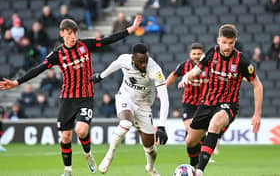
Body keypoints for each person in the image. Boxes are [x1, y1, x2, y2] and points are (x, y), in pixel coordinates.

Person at [0, 16, 142, 176]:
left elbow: (108, 40)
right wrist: (17, 82)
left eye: (74, 32)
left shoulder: (85, 45)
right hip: (67, 98)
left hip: (85, 97)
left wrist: (131, 28)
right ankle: (68, 171)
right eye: (69, 33)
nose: (73, 36)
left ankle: (87, 154)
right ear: (62, 34)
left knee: (81, 130)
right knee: (66, 137)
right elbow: (39, 69)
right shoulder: (57, 54)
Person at [178, 24, 263, 176]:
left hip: (228, 105)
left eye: (231, 43)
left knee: (216, 122)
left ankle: (199, 171)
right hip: (207, 103)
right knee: (190, 141)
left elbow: (257, 85)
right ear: (218, 40)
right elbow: (197, 70)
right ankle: (193, 167)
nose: (227, 46)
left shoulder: (241, 61)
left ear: (235, 42)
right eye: (224, 42)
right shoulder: (212, 53)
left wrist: (257, 113)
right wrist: (187, 76)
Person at [90, 43, 169, 175]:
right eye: (140, 62)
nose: (144, 64)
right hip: (125, 97)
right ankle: (109, 155)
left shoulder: (155, 70)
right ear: (133, 59)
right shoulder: (124, 60)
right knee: (125, 123)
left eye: (146, 61)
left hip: (144, 105)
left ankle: (150, 167)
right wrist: (101, 76)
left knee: (150, 149)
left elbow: (165, 99)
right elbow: (115, 64)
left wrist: (161, 126)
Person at [166, 43, 218, 165]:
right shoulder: (185, 66)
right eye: (194, 54)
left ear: (203, 54)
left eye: (199, 54)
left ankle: (203, 154)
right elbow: (173, 75)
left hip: (204, 103)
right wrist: (163, 88)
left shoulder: (209, 66)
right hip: (189, 103)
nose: (196, 56)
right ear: (190, 54)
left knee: (200, 132)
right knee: (190, 129)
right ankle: (200, 155)